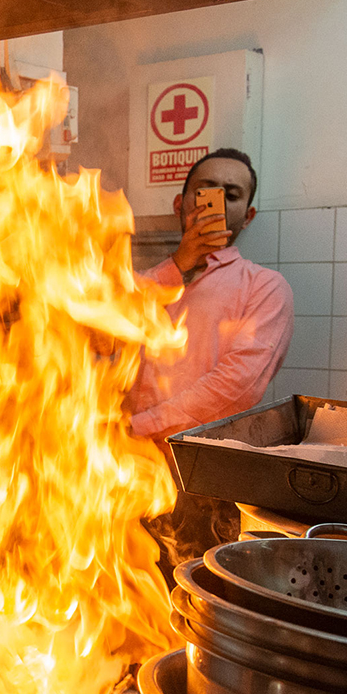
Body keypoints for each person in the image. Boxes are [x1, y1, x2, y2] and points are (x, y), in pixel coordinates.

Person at [127, 147, 294, 563]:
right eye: (206, 190)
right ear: (181, 205)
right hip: (121, 467)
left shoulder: (265, 287)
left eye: (231, 194)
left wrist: (140, 426)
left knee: (185, 598)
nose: (218, 199)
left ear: (247, 215)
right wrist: (179, 262)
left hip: (199, 479)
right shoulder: (144, 285)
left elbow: (236, 387)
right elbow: (97, 336)